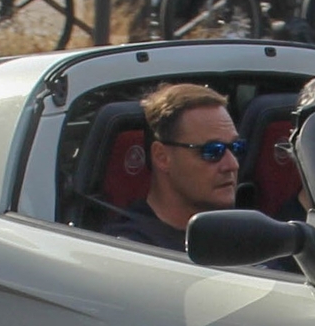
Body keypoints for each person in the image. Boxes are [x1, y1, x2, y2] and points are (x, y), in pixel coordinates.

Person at [103, 82, 243, 252]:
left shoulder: (246, 233)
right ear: (162, 157)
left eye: (236, 148)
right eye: (212, 151)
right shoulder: (131, 249)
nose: (232, 164)